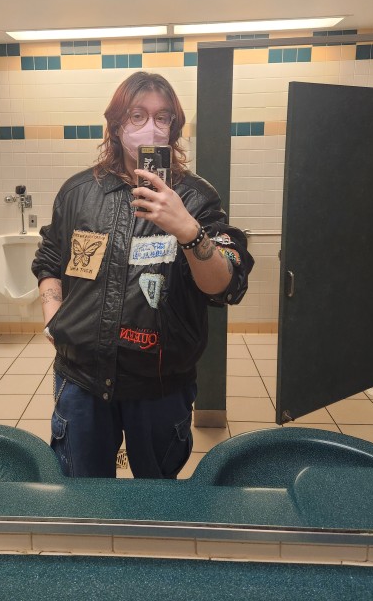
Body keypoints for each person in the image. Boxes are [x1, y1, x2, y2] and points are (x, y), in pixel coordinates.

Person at [32, 71, 253, 479]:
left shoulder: (195, 198)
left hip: (160, 386)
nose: (151, 126)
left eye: (162, 117)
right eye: (137, 115)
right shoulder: (78, 192)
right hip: (80, 379)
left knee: (157, 491)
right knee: (82, 493)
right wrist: (53, 315)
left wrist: (188, 230)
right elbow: (50, 259)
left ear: (174, 128)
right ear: (116, 125)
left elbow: (225, 285)